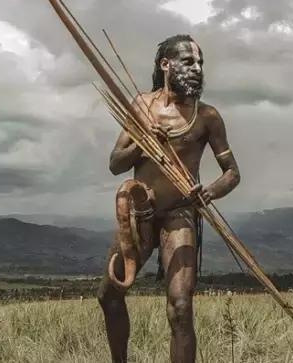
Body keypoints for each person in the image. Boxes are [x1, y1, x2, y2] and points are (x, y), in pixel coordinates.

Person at [97, 35, 241, 363]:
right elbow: (116, 164)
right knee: (109, 295)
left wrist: (209, 191)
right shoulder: (142, 106)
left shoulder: (207, 117)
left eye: (200, 62)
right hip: (140, 211)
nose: (197, 68)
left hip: (181, 214)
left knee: (181, 306)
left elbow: (232, 173)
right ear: (166, 64)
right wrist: (143, 141)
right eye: (188, 61)